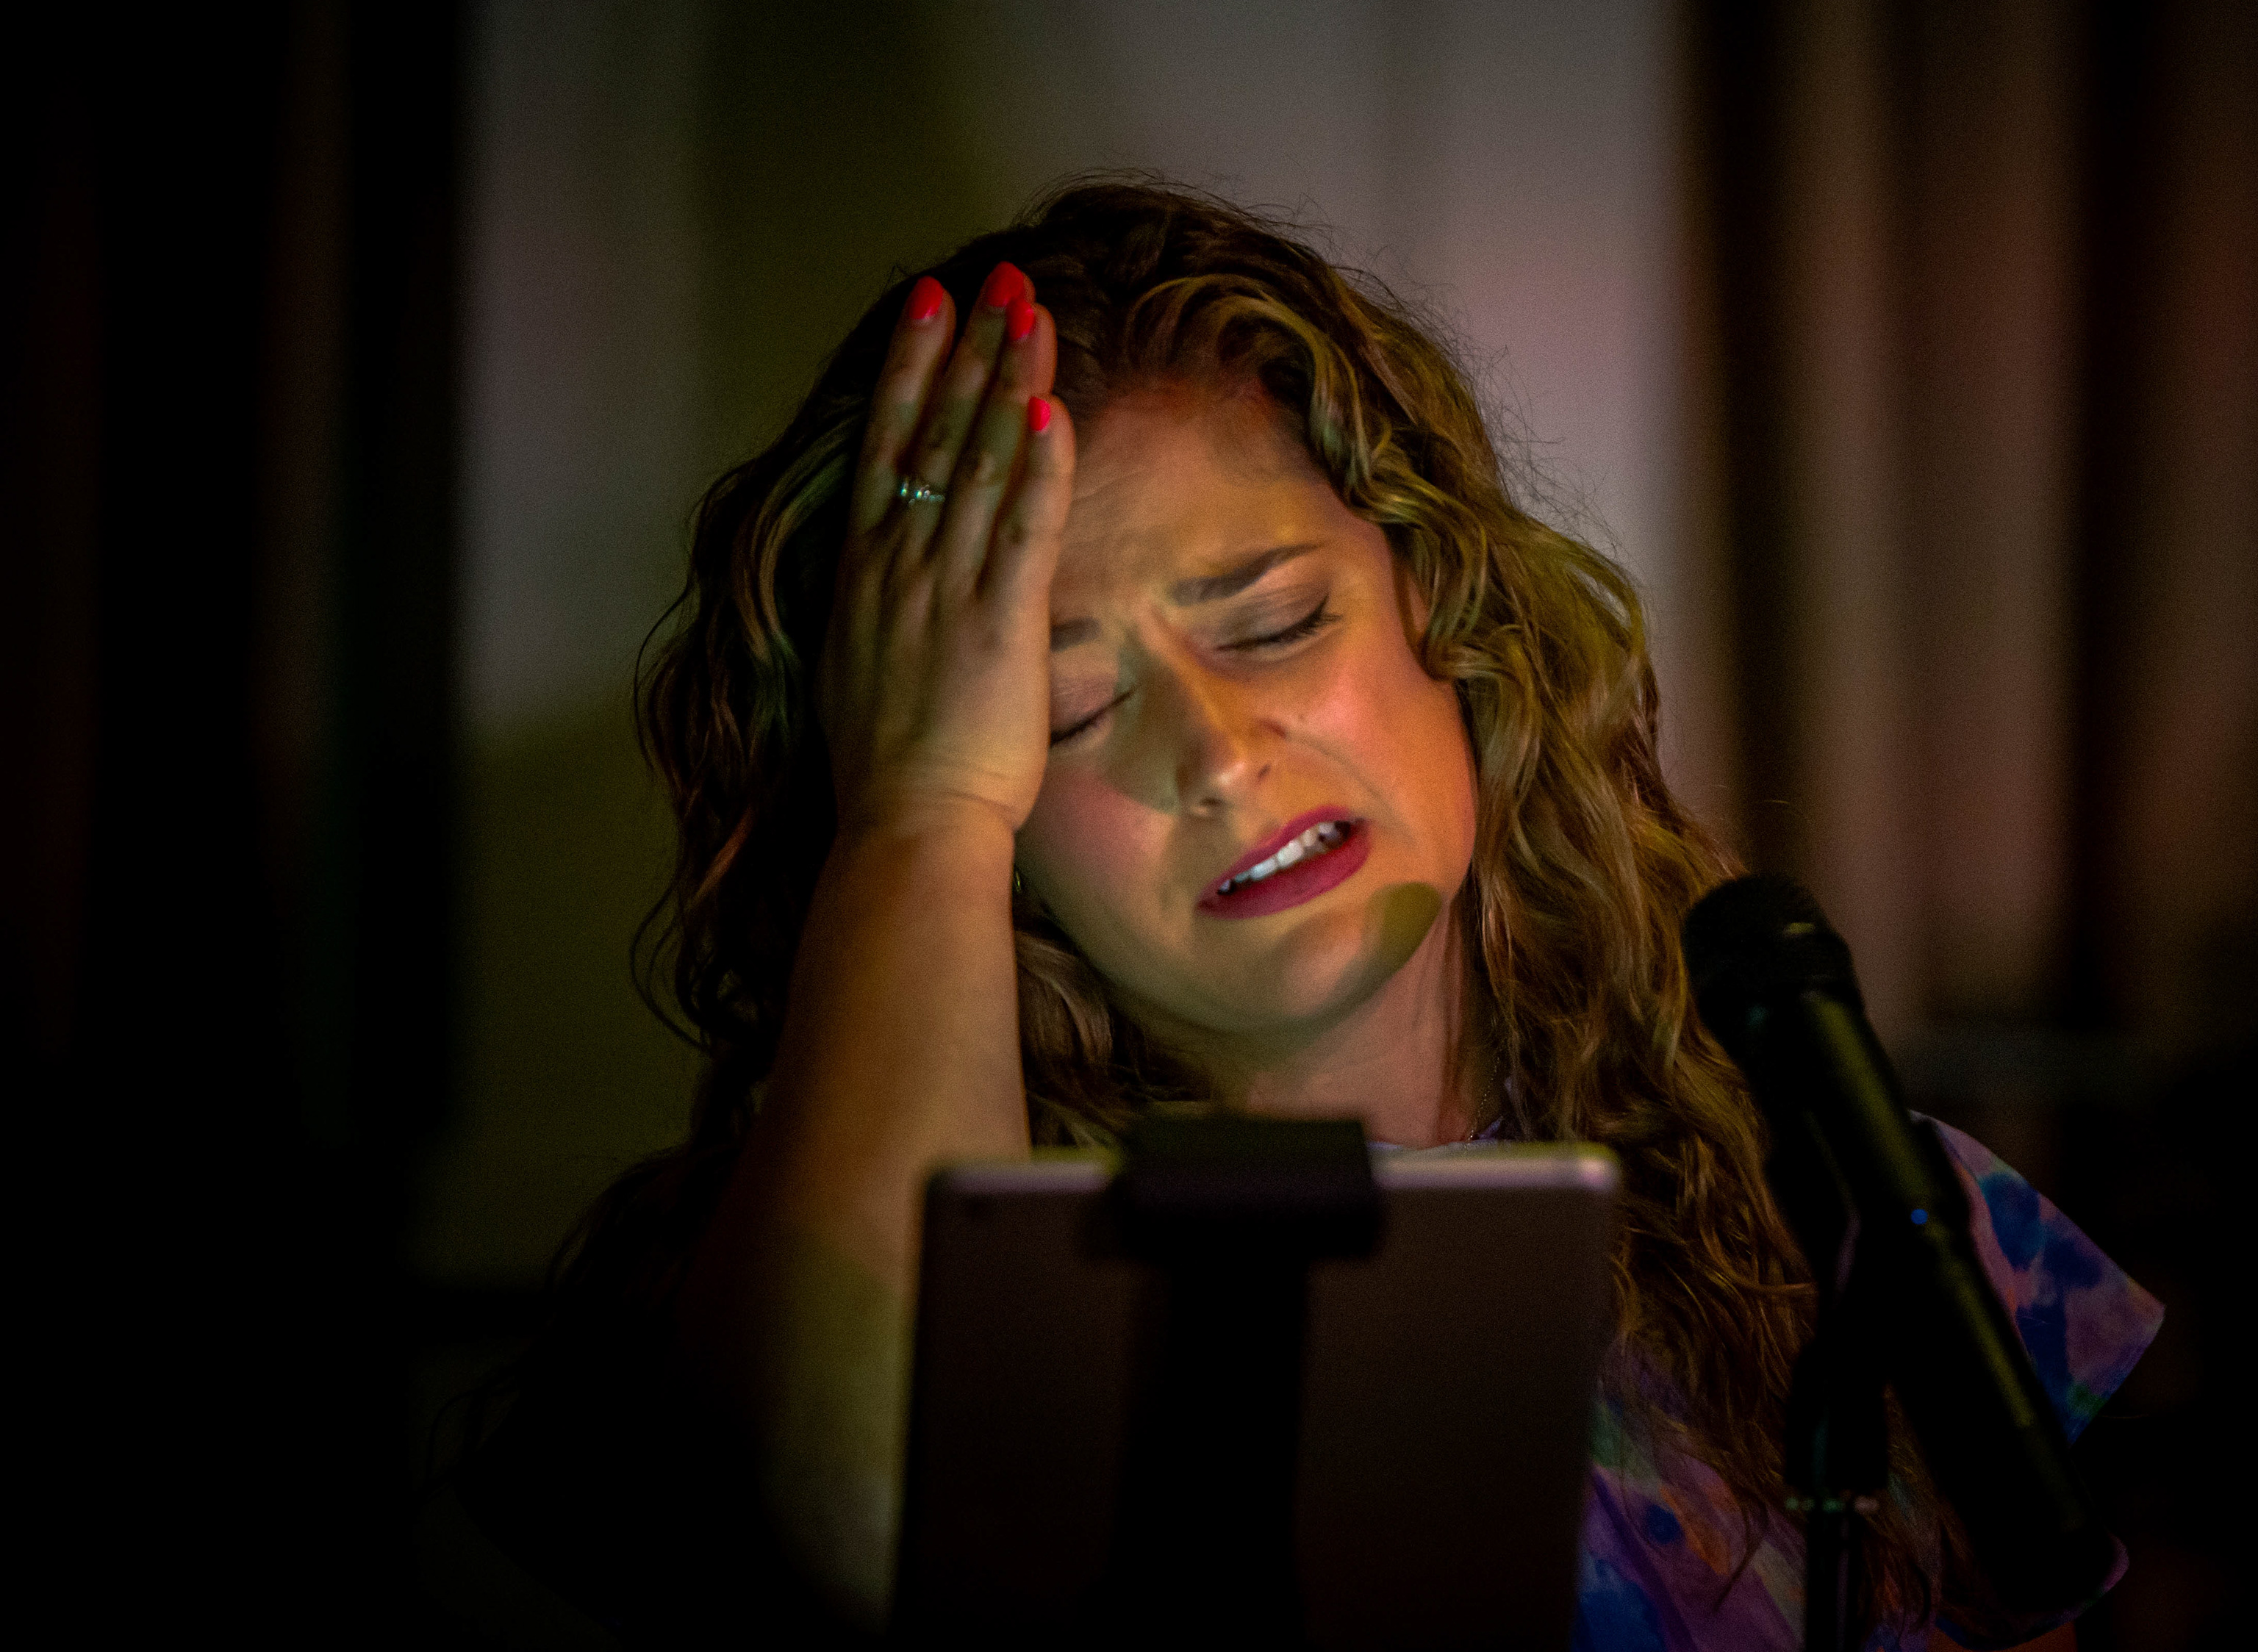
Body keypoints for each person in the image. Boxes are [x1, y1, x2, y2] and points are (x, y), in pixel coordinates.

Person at [460, 180, 2160, 1650]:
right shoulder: (788, 1287)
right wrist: (917, 814)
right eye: (1060, 711)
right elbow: (853, 1537)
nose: (1217, 753)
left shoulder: (1876, 1232)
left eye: (1272, 622)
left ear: (1449, 606)